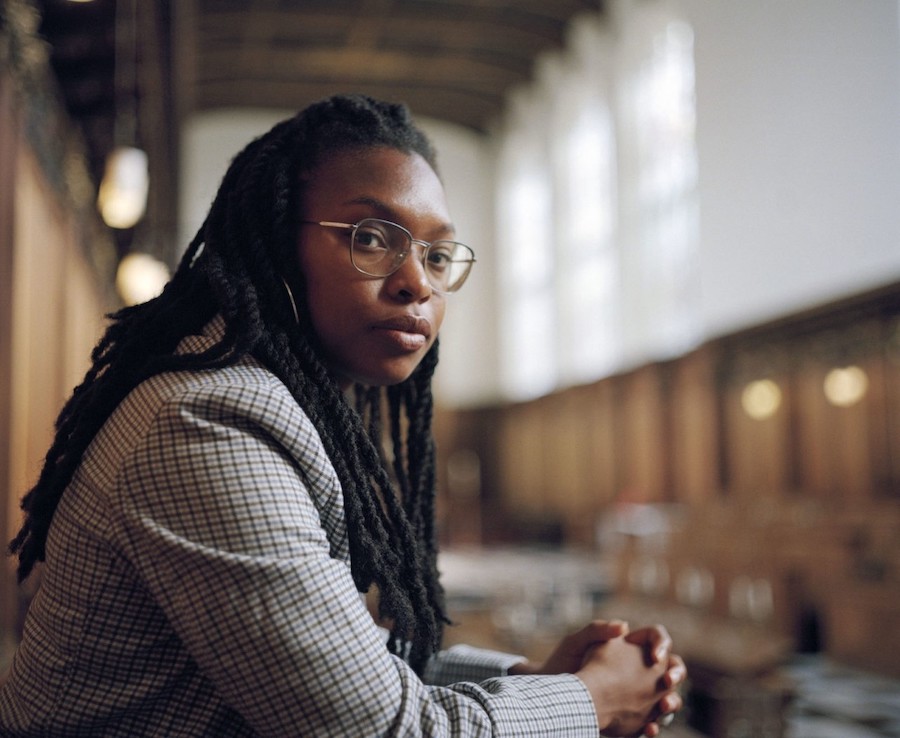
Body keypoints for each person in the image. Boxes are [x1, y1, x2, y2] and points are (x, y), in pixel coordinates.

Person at [0, 94, 685, 736]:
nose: (417, 280)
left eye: (438, 254)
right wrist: (593, 699)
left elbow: (337, 656)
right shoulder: (208, 423)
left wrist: (535, 679)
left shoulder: (271, 403)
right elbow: (383, 730)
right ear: (275, 246)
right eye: (370, 238)